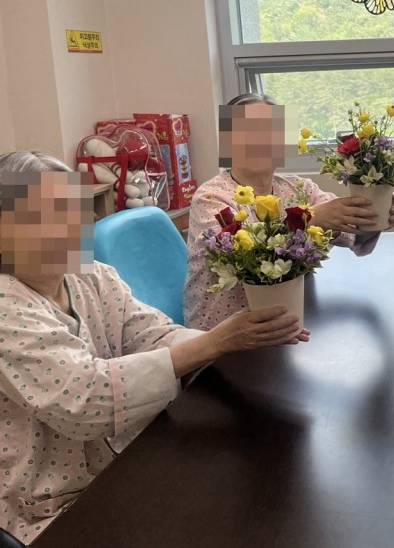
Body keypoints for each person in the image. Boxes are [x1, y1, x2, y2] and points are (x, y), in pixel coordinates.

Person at [0, 151, 308, 545]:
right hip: (51, 506)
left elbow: (154, 334)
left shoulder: (90, 276)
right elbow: (85, 400)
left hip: (121, 464)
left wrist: (239, 342)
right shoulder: (7, 307)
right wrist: (218, 340)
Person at [183, 93, 394, 330]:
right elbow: (242, 259)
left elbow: (354, 235)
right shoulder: (211, 198)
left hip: (287, 322)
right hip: (224, 333)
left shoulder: (299, 189)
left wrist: (375, 217)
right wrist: (308, 219)